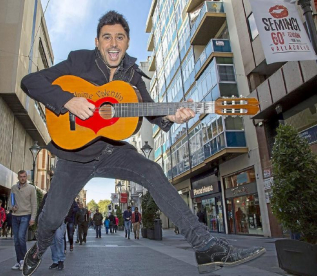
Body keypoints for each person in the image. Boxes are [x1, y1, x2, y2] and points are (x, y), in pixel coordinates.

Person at [20, 11, 265, 276]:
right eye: (107, 37)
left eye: (120, 37)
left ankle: (205, 245)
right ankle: (39, 248)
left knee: (152, 171)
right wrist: (68, 100)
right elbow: (30, 81)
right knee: (53, 218)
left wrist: (171, 115)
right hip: (73, 155)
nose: (113, 43)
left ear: (127, 42)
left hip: (111, 151)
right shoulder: (78, 60)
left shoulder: (132, 75)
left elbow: (151, 109)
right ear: (97, 41)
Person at [11, 170, 37, 271]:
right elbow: (10, 202)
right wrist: (12, 207)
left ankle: (25, 261)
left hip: (25, 215)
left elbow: (34, 204)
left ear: (26, 177)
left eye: (24, 176)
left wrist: (33, 218)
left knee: (21, 237)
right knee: (16, 240)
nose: (23, 178)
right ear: (18, 177)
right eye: (21, 176)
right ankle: (19, 261)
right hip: (15, 215)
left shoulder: (31, 188)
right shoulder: (13, 188)